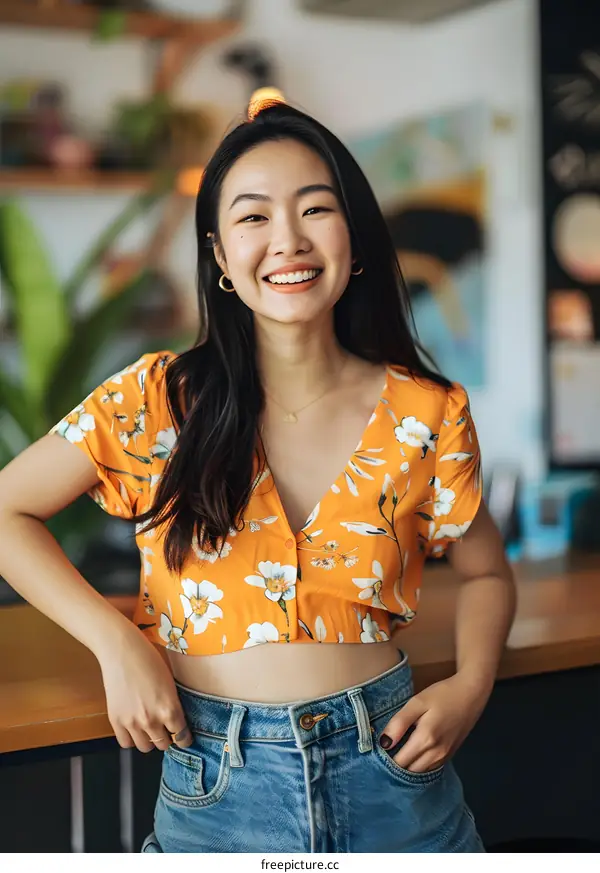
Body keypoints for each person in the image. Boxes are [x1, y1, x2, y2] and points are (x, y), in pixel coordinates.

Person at [0, 100, 516, 854]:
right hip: (219, 793)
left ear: (357, 241)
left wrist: (471, 687)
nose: (288, 240)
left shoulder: (428, 412)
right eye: (253, 217)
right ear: (218, 255)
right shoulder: (153, 400)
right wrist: (117, 644)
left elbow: (488, 575)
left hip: (397, 785)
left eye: (316, 208)